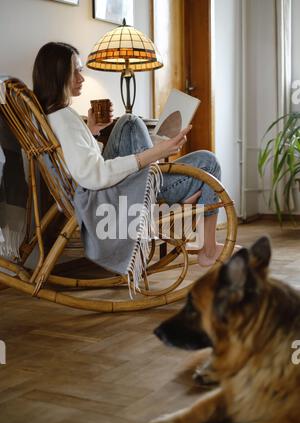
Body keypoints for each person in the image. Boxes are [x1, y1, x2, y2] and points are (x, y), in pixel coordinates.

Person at [33, 42, 223, 266]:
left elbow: (80, 162)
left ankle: (199, 235)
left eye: (80, 70)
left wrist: (91, 131)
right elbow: (94, 175)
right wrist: (154, 154)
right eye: (74, 71)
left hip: (113, 189)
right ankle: (207, 247)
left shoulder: (56, 115)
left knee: (128, 122)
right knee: (208, 162)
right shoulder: (64, 118)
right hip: (116, 197)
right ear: (57, 75)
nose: (81, 78)